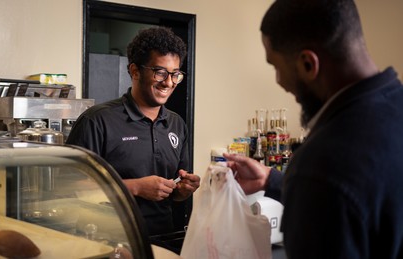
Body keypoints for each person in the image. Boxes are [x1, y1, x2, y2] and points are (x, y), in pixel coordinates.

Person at [224, 0, 403, 258]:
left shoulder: (322, 162)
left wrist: (304, 179)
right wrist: (271, 179)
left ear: (308, 64)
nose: (280, 82)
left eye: (275, 66)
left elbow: (332, 183)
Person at [66, 27, 200, 248]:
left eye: (175, 73)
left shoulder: (176, 124)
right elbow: (72, 187)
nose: (169, 82)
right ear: (135, 71)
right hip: (107, 244)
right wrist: (136, 187)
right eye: (160, 72)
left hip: (160, 243)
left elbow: (174, 194)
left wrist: (183, 190)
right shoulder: (97, 121)